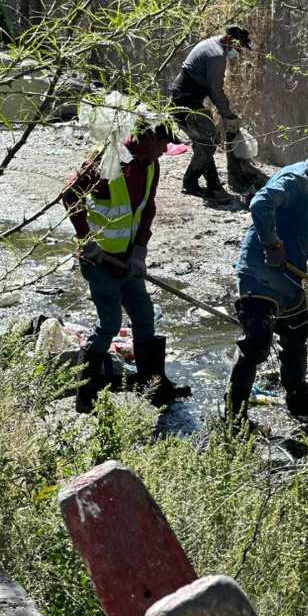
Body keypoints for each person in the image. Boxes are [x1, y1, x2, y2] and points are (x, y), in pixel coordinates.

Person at [226, 132, 308, 428]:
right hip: (259, 276)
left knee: (297, 338)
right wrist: (272, 243)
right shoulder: (296, 179)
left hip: (288, 281)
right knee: (256, 347)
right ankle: (233, 420)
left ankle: (299, 402)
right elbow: (260, 203)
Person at [61, 120, 191, 413]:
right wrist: (87, 240)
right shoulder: (108, 159)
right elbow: (70, 196)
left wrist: (140, 251)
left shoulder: (150, 165)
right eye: (161, 145)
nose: (162, 152)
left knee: (144, 317)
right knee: (109, 324)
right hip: (99, 259)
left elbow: (147, 208)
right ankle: (87, 394)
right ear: (147, 138)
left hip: (126, 260)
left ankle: (153, 387)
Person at [169, 25, 252, 198]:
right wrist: (227, 114)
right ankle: (190, 182)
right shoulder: (216, 56)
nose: (238, 52)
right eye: (238, 48)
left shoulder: (212, 43)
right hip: (185, 101)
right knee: (208, 142)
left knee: (206, 141)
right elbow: (216, 90)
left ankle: (213, 183)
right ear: (231, 40)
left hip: (188, 98)